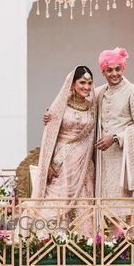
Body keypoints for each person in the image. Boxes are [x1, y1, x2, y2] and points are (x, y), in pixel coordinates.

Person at [32, 67, 96, 228]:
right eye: (82, 82)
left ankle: (84, 243)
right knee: (55, 202)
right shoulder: (60, 105)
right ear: (73, 83)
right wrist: (48, 164)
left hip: (84, 164)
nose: (86, 87)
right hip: (61, 162)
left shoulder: (93, 107)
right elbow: (49, 136)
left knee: (83, 201)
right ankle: (48, 240)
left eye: (89, 83)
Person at [94, 47, 134, 220]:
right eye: (109, 70)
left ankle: (131, 245)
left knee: (128, 212)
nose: (114, 73)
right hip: (102, 162)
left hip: (125, 160)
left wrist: (116, 137)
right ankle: (110, 245)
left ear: (124, 68)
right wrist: (53, 115)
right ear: (103, 71)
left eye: (118, 69)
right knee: (107, 214)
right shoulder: (99, 93)